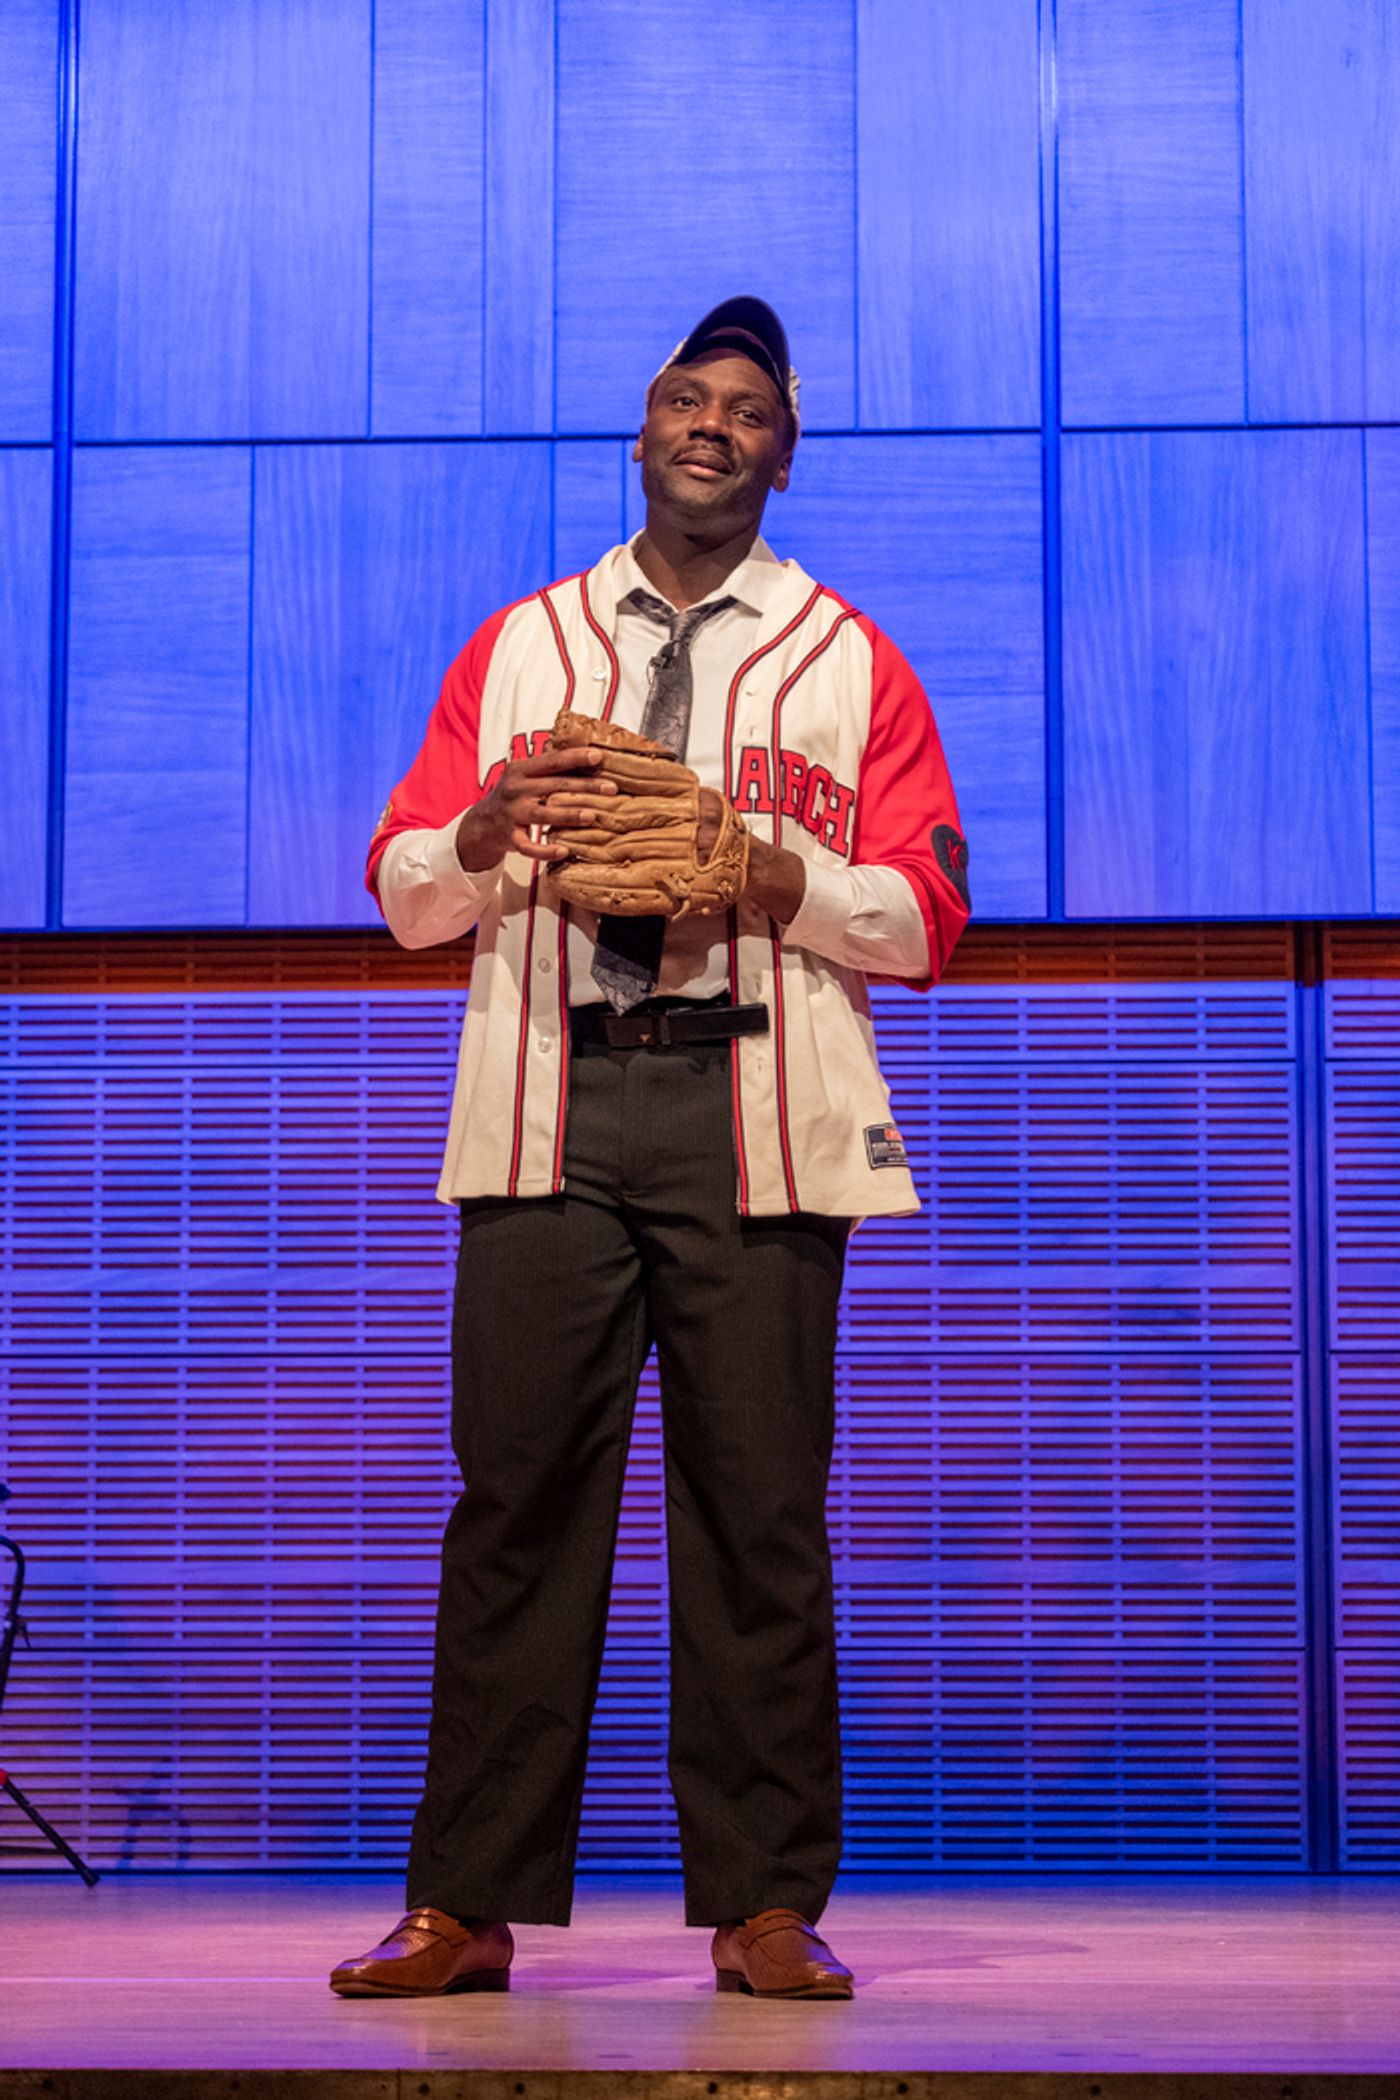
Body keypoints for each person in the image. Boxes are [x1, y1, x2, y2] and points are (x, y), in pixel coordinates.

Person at [330, 297, 971, 2001]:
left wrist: (774, 876)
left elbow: (927, 917)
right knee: (518, 1506)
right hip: (551, 1095)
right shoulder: (523, 646)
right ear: (641, 434)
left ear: (784, 452)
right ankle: (464, 1904)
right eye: (685, 398)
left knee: (760, 1514)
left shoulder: (849, 660)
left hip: (757, 1110)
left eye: (747, 408)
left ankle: (764, 1900)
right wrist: (477, 832)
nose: (712, 424)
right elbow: (400, 893)